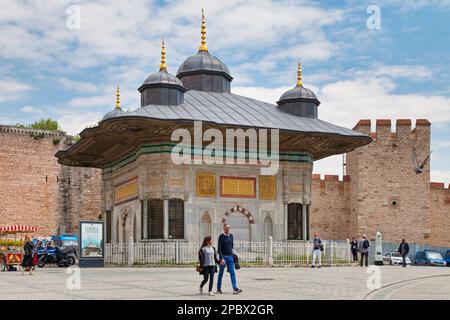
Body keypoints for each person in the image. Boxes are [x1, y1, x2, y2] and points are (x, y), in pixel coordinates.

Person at [216, 224, 242, 294]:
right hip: (223, 257)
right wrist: (221, 258)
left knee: (232, 272)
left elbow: (231, 246)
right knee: (221, 273)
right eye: (226, 228)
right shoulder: (221, 237)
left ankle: (235, 288)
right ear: (224, 228)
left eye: (229, 228)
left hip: (230, 257)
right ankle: (218, 288)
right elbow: (219, 248)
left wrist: (232, 255)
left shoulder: (231, 236)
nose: (228, 229)